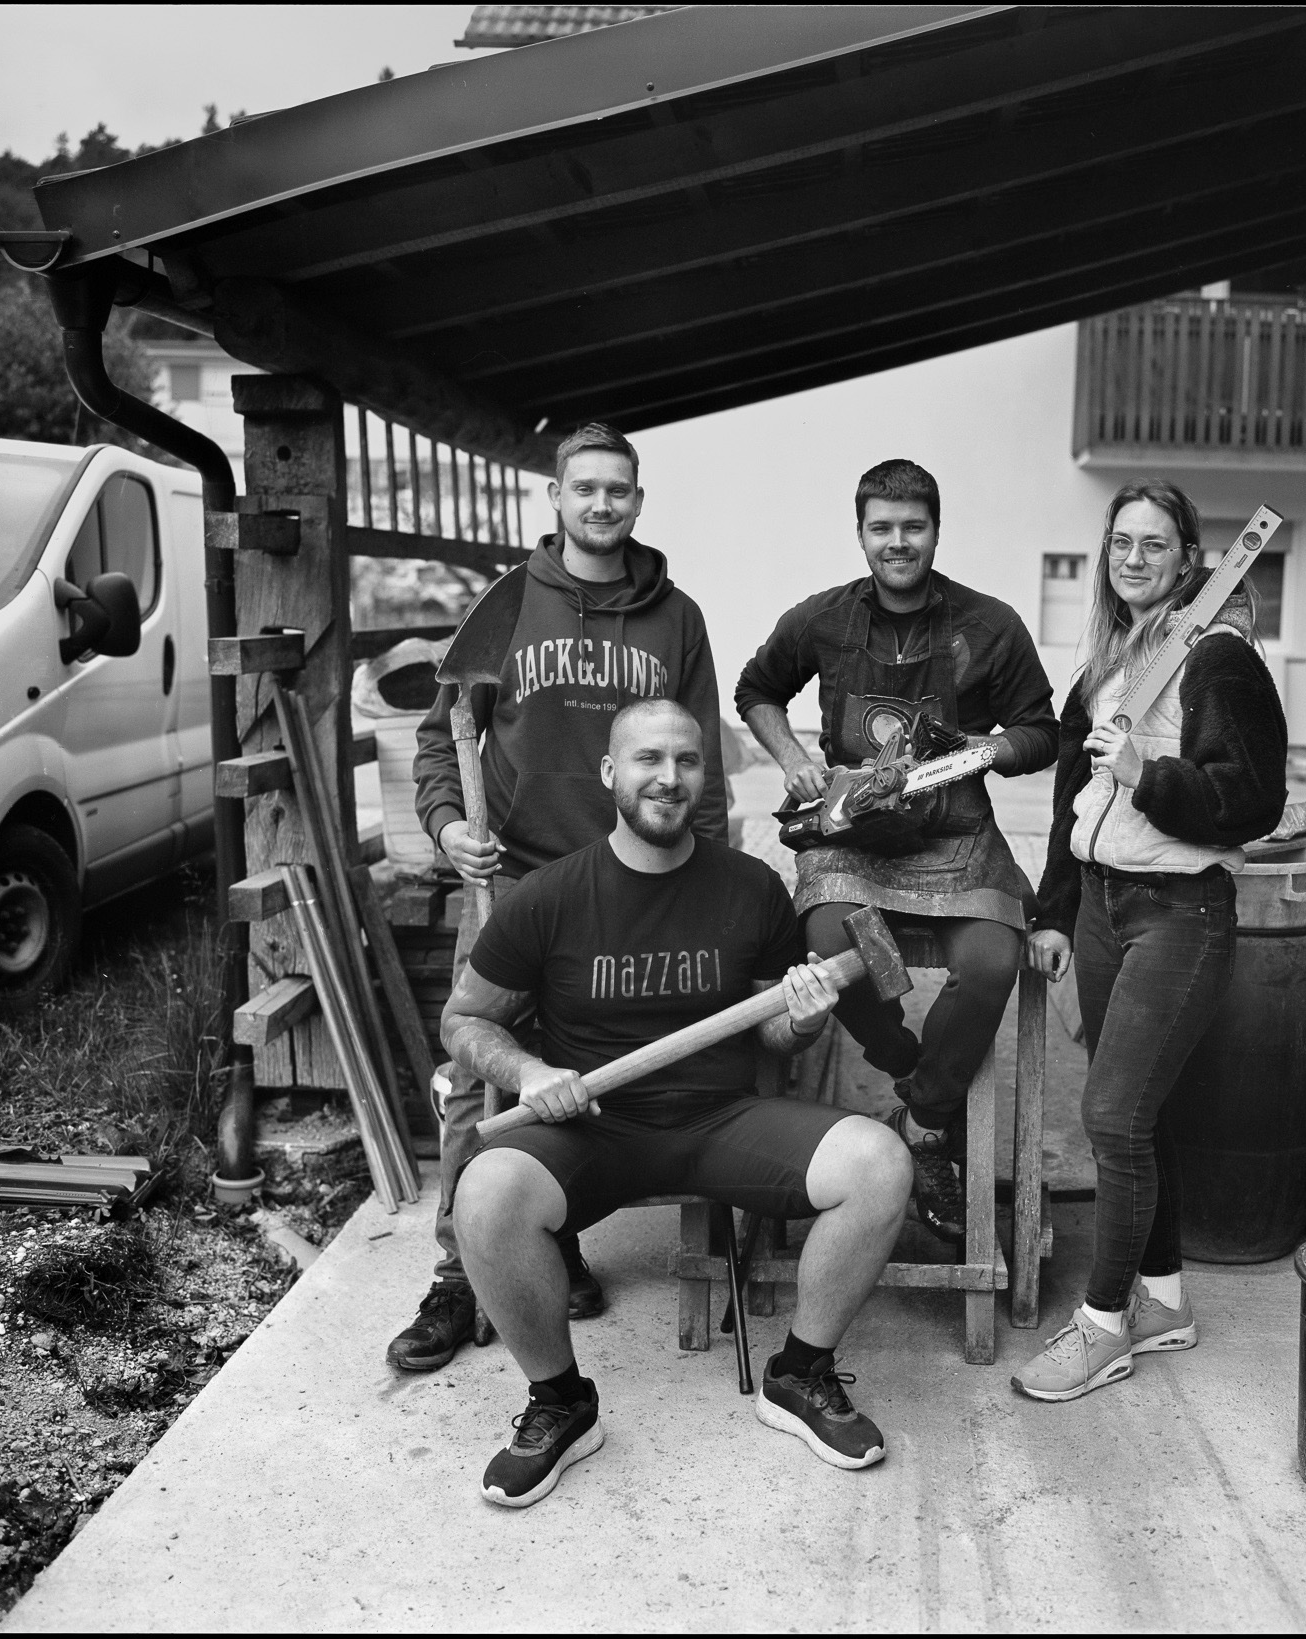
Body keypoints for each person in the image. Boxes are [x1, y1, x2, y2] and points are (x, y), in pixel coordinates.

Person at [443, 699, 913, 1506]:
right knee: (483, 1193)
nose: (669, 777)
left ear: (705, 774)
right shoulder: (549, 896)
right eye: (649, 758)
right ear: (610, 772)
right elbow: (463, 1020)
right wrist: (527, 1071)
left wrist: (801, 1019)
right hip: (593, 1127)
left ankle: (798, 1376)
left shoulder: (749, 886)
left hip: (720, 1120)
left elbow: (774, 1037)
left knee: (880, 1162)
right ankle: (561, 1403)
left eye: (687, 760)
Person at [389, 421, 730, 1373]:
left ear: (638, 500)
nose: (601, 503)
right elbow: (441, 738)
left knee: (588, 1069)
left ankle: (553, 1232)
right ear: (556, 497)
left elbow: (701, 761)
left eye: (618, 489)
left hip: (629, 882)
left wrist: (707, 883)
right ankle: (460, 1270)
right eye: (585, 487)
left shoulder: (677, 619)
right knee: (479, 1072)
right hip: (515, 879)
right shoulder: (506, 605)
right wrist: (448, 827)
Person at [735, 459, 1057, 1245]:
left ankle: (925, 1120)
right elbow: (755, 689)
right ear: (861, 533)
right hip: (854, 842)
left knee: (991, 961)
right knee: (833, 941)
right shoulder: (821, 619)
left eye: (913, 526)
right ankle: (907, 1060)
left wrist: (989, 749)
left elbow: (1043, 730)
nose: (898, 542)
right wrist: (792, 759)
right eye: (882, 527)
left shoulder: (991, 624)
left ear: (936, 531)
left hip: (957, 838)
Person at [1012, 481, 1286, 1402]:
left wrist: (1148, 772)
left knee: (1113, 1117)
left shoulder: (1218, 658)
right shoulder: (1112, 662)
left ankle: (1104, 1325)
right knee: (1143, 1112)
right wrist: (1055, 910)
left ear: (1189, 558)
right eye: (1121, 542)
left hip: (1180, 912)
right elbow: (1071, 800)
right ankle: (1163, 1300)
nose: (1134, 559)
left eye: (1155, 545)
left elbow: (1254, 800)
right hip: (1102, 906)